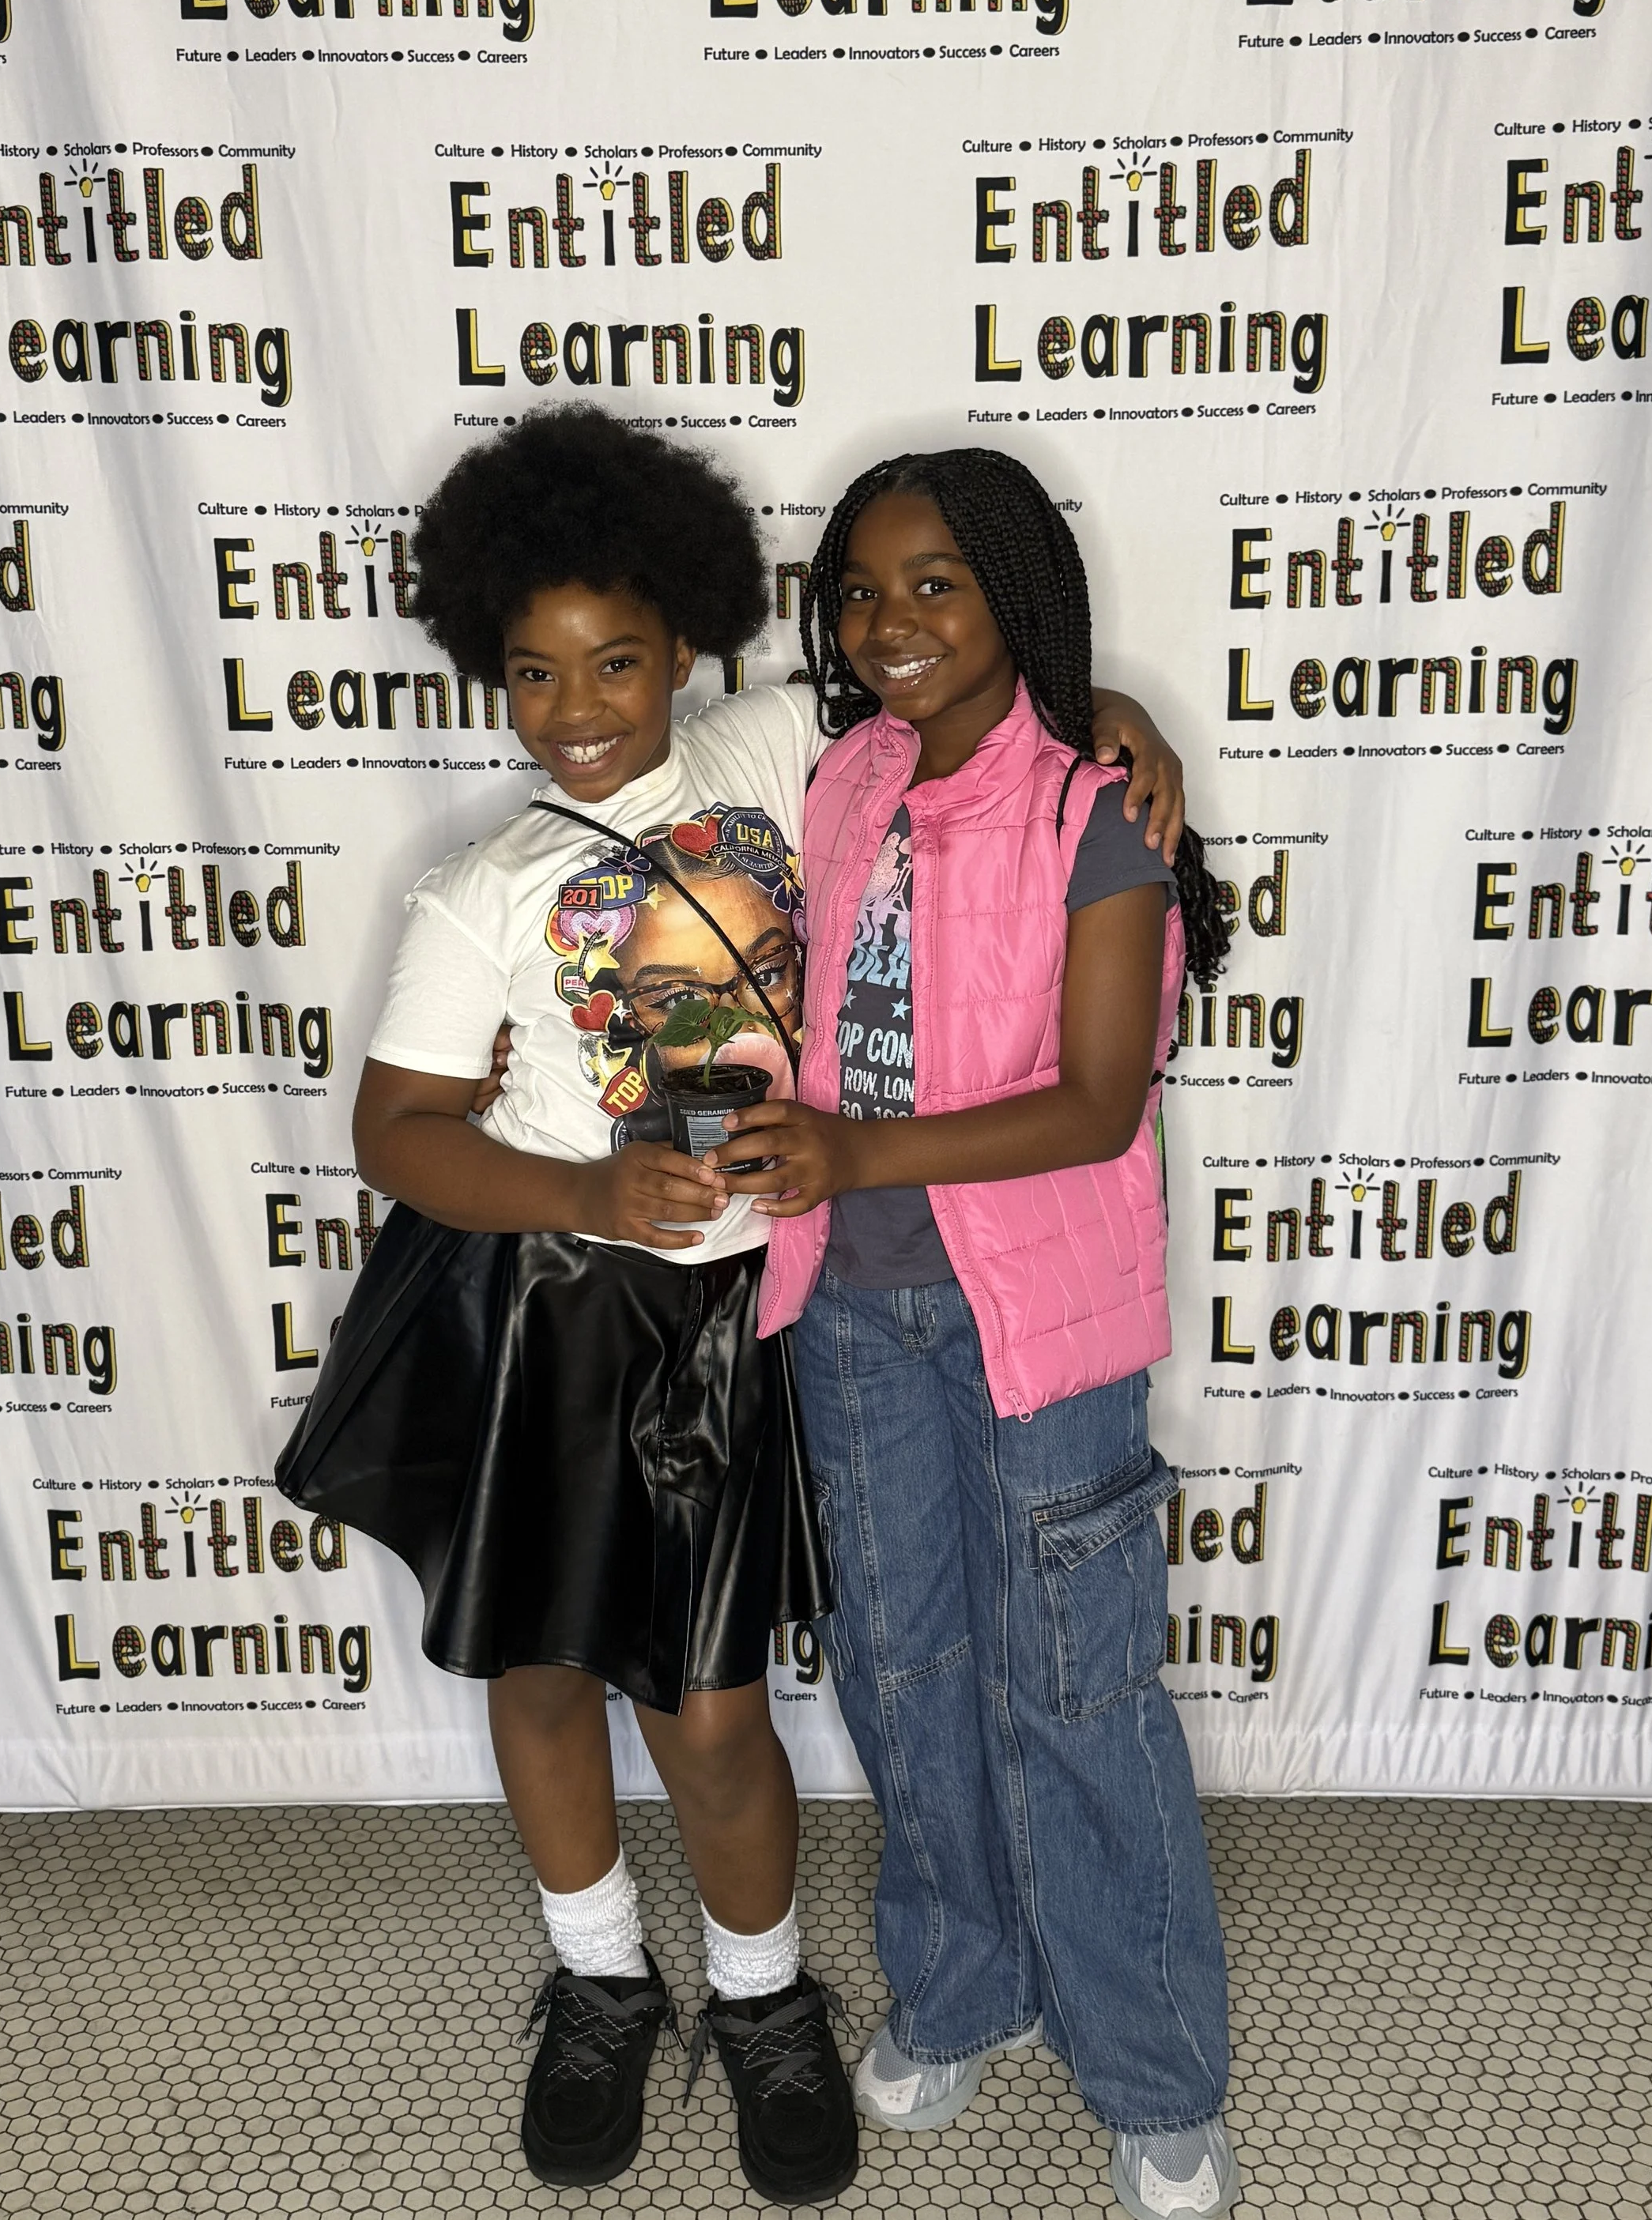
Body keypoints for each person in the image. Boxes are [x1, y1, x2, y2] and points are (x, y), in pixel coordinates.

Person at [289, 409, 1186, 2204]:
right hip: (551, 1307)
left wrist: (1112, 717)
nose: (576, 702)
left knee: (709, 1708)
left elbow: (970, 712)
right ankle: (601, 1974)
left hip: (741, 1309)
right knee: (538, 1669)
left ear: (689, 649)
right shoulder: (478, 888)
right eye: (530, 671)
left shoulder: (785, 745)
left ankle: (762, 1998)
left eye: (615, 658)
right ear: (489, 675)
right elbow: (395, 1128)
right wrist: (575, 1191)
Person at [720, 447, 1242, 2220]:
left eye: (935, 583)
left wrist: (1099, 711)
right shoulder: (842, 774)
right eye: (860, 591)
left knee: (1074, 1685)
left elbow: (1096, 1100)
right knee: (901, 1667)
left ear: (1009, 591)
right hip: (847, 1311)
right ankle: (964, 1988)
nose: (888, 625)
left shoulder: (1095, 800)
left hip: (1039, 1317)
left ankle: (1156, 2074)